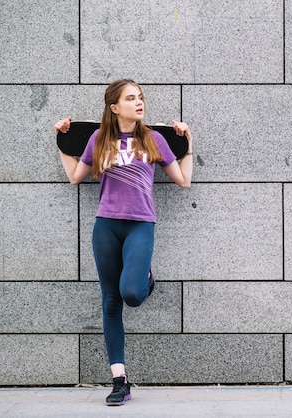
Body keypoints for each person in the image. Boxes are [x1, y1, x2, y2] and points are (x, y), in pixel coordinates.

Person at [54, 79, 193, 406]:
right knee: (111, 301)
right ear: (115, 107)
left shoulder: (155, 139)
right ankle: (120, 380)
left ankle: (145, 277)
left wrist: (189, 140)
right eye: (131, 98)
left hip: (140, 226)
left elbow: (184, 181)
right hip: (106, 227)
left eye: (140, 97)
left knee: (131, 294)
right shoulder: (99, 139)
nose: (139, 102)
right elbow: (76, 176)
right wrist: (61, 140)